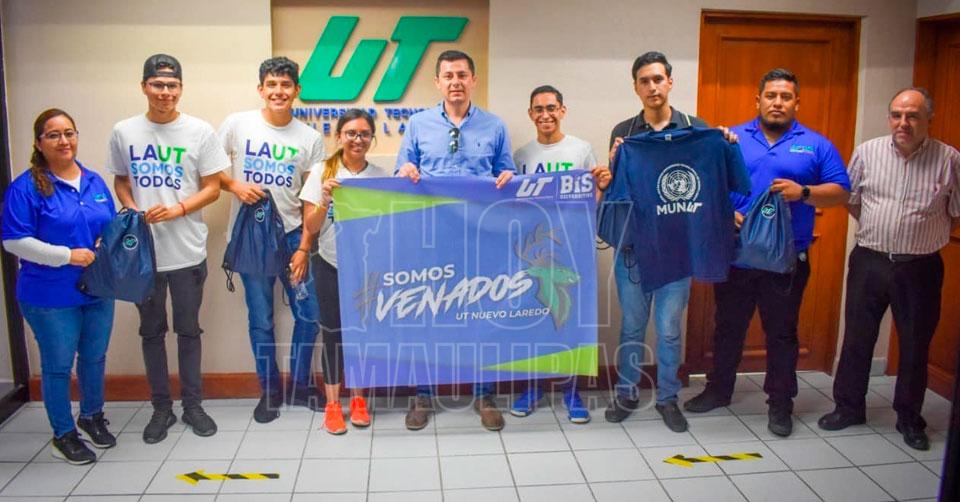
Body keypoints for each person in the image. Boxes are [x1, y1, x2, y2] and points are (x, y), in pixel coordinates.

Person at [683, 69, 850, 437]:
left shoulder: (816, 145)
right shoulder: (731, 138)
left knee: (782, 334)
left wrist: (803, 192)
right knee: (728, 328)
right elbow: (703, 184)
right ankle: (718, 390)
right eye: (771, 95)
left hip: (785, 261)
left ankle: (780, 404)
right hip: (736, 255)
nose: (777, 102)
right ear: (757, 100)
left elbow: (841, 191)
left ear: (796, 103)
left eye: (785, 97)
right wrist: (725, 210)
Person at [819, 88, 960, 451]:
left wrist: (917, 233)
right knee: (857, 338)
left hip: (920, 267)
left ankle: (910, 418)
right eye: (896, 115)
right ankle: (849, 408)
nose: (903, 123)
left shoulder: (949, 159)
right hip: (870, 260)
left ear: (928, 119)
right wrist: (881, 231)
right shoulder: (868, 152)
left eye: (912, 116)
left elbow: (955, 212)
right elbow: (850, 199)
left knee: (914, 343)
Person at [107, 54, 229, 444]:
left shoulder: (199, 131)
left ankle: (193, 405)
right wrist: (131, 208)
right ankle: (162, 409)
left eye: (172, 85)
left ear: (181, 88)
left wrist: (178, 209)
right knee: (151, 333)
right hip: (143, 257)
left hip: (187, 252)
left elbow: (213, 187)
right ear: (144, 86)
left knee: (189, 331)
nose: (165, 92)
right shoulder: (124, 131)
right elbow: (121, 180)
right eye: (158, 85)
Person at [396, 49, 515, 431]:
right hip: (432, 238)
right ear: (438, 82)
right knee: (428, 314)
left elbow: (507, 174)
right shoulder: (418, 124)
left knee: (483, 314)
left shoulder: (494, 126)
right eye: (448, 76)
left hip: (480, 237)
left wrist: (508, 177)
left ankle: (484, 394)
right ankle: (423, 395)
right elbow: (401, 171)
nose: (456, 82)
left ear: (473, 80)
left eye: (462, 75)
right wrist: (406, 170)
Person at [601, 51, 710, 432]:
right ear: (636, 87)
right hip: (633, 247)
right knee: (632, 326)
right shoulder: (624, 132)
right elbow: (616, 189)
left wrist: (725, 142)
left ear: (670, 82)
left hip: (677, 250)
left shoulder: (695, 129)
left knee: (668, 329)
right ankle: (627, 393)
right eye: (644, 81)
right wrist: (610, 168)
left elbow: (707, 181)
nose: (652, 87)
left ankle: (667, 398)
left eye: (658, 79)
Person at [2, 109, 117, 464]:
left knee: (94, 357)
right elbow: (14, 241)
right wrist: (67, 255)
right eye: (53, 135)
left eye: (69, 133)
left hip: (97, 289)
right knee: (58, 366)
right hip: (50, 294)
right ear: (39, 143)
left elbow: (110, 225)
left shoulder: (94, 181)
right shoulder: (25, 188)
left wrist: (106, 242)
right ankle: (63, 434)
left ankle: (92, 416)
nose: (64, 141)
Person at [218, 56, 326, 423]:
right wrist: (235, 185)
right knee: (261, 319)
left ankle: (299, 385)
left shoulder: (310, 138)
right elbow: (209, 170)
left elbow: (313, 197)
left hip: (293, 236)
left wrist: (304, 247)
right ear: (261, 89)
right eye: (272, 85)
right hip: (250, 237)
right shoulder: (237, 124)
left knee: (309, 314)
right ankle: (270, 390)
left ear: (296, 91)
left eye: (286, 85)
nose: (278, 91)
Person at [510, 84, 594, 423]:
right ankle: (533, 387)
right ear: (530, 114)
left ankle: (571, 390)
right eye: (538, 109)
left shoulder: (581, 150)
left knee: (569, 321)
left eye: (551, 108)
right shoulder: (521, 156)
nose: (545, 114)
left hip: (572, 250)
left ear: (562, 111)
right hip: (534, 254)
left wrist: (601, 186)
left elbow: (593, 198)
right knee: (532, 322)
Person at [300, 109, 381, 434]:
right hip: (329, 263)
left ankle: (358, 398)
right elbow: (311, 226)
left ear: (371, 138)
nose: (357, 139)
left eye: (364, 134)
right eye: (351, 133)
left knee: (361, 334)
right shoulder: (323, 171)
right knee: (332, 334)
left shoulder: (379, 176)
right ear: (338, 136)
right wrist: (324, 198)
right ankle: (333, 405)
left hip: (367, 267)